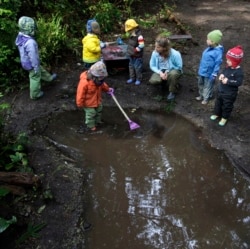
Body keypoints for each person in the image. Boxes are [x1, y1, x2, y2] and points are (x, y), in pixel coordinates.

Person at [15, 16, 57, 100]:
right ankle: (35, 94)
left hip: (25, 61)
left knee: (40, 70)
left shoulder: (20, 37)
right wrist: (35, 66)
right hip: (31, 63)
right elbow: (33, 56)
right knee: (35, 76)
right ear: (30, 29)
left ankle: (49, 78)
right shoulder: (30, 42)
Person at [210, 45, 244, 127]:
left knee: (227, 106)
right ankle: (217, 113)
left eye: (229, 60)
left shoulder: (239, 72)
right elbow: (223, 72)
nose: (227, 61)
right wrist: (221, 75)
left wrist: (228, 81)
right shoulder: (228, 67)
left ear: (236, 61)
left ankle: (224, 117)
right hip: (221, 91)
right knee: (218, 103)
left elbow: (238, 82)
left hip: (230, 94)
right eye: (227, 59)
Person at [76, 61, 114, 132]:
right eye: (100, 78)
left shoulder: (99, 81)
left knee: (99, 110)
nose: (101, 80)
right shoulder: (84, 82)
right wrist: (79, 103)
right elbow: (80, 93)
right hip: (88, 103)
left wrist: (108, 89)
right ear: (93, 76)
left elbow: (103, 85)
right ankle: (90, 126)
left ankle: (97, 122)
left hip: (97, 100)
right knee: (91, 114)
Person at [149, 34, 183, 101]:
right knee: (153, 81)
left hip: (172, 70)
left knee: (173, 75)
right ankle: (165, 84)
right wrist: (160, 72)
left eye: (158, 47)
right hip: (161, 70)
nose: (155, 49)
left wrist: (168, 71)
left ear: (164, 48)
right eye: (155, 46)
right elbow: (152, 65)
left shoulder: (175, 54)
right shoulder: (155, 53)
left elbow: (179, 66)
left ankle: (172, 91)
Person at [196, 29, 224, 105]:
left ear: (213, 42)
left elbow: (217, 64)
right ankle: (201, 95)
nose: (206, 40)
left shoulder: (217, 52)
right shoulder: (209, 48)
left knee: (207, 86)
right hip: (202, 70)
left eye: (208, 39)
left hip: (209, 73)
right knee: (200, 83)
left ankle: (206, 98)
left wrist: (214, 73)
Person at [125, 19, 145, 85]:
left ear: (133, 28)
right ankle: (132, 78)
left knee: (137, 67)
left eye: (129, 30)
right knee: (131, 66)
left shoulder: (139, 36)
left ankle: (138, 79)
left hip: (137, 56)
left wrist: (136, 50)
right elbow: (130, 44)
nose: (129, 32)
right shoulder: (132, 35)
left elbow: (142, 45)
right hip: (131, 55)